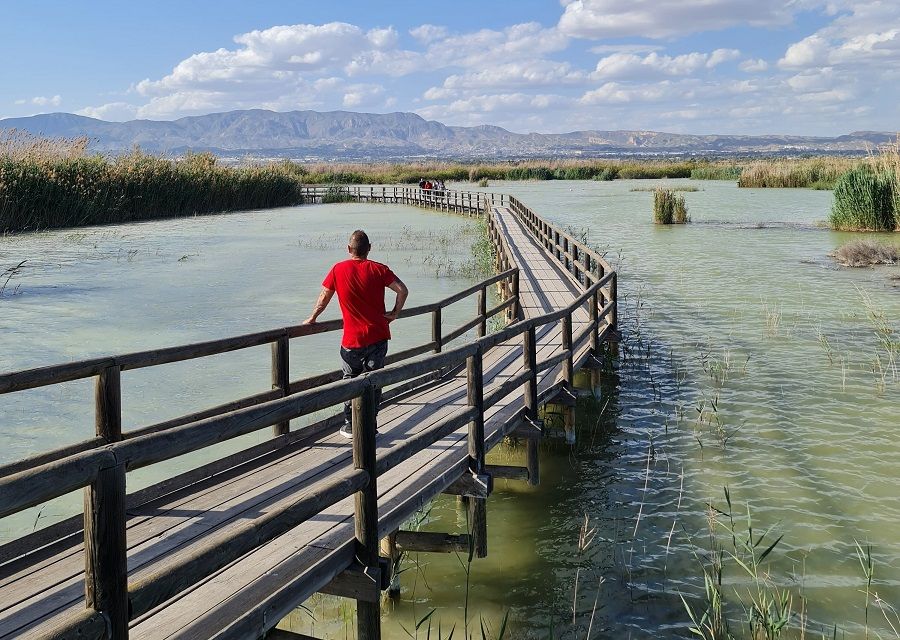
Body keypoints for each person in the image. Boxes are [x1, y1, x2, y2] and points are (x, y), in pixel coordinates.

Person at [304, 230, 408, 438]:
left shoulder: (338, 269)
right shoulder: (379, 269)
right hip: (378, 336)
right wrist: (395, 313)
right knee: (374, 381)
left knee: (350, 380)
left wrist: (313, 318)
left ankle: (351, 425)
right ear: (369, 249)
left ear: (348, 249)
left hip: (352, 341)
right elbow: (402, 290)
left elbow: (325, 296)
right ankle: (370, 423)